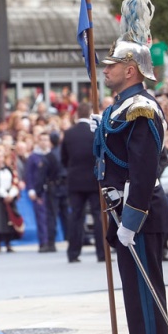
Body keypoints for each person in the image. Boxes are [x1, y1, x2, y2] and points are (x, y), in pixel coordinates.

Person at [92, 0, 168, 334]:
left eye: (111, 65)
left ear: (130, 69)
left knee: (145, 297)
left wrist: (130, 221)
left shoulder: (140, 106)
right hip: (122, 214)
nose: (105, 70)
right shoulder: (120, 107)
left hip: (136, 215)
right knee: (134, 298)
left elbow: (143, 172)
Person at [61, 102, 104, 263]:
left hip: (75, 180)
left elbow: (64, 158)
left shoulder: (69, 133)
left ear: (77, 114)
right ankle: (102, 253)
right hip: (94, 180)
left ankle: (73, 253)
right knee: (98, 216)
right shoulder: (95, 133)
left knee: (76, 217)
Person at [25, 132, 50, 253]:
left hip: (51, 191)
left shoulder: (51, 154)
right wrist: (31, 189)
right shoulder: (33, 157)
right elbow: (28, 175)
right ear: (38, 142)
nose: (44, 142)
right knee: (41, 218)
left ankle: (51, 241)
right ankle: (43, 242)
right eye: (42, 140)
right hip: (39, 191)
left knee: (51, 217)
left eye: (46, 139)